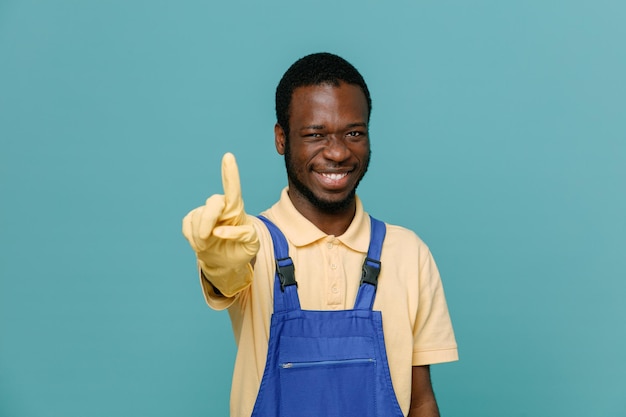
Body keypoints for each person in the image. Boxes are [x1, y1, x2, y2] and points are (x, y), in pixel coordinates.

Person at [182, 52, 458, 417]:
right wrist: (219, 262)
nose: (338, 152)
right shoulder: (249, 242)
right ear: (282, 139)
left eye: (354, 133)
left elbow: (420, 399)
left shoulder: (408, 253)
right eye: (315, 134)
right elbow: (227, 276)